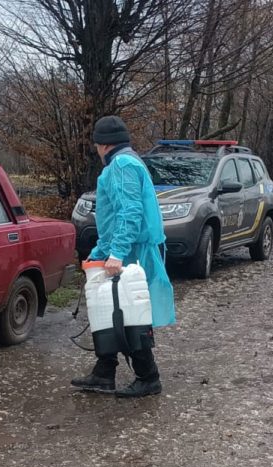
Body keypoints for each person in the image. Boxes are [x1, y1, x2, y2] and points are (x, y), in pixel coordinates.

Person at [71, 115, 176, 398]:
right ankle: (104, 371)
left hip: (131, 251)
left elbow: (130, 212)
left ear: (102, 144)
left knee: (130, 311)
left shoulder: (121, 165)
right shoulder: (128, 161)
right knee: (109, 309)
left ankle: (148, 377)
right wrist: (99, 253)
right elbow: (112, 218)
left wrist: (116, 252)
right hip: (125, 248)